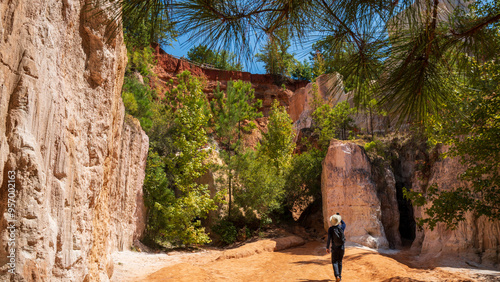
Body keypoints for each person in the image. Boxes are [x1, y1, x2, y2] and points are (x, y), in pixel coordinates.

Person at [326, 213, 346, 282]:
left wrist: (327, 247)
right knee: (340, 262)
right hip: (342, 247)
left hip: (334, 248)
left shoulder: (330, 229)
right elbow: (344, 223)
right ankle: (339, 277)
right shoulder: (342, 227)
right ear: (338, 221)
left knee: (334, 262)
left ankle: (337, 275)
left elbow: (329, 239)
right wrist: (340, 217)